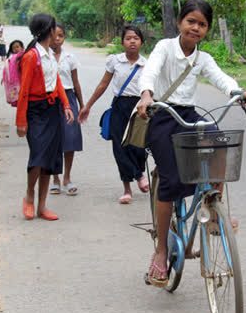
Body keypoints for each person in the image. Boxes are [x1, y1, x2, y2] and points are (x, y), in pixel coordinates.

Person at [135, 0, 246, 286]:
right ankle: (161, 251)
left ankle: (214, 210)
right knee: (170, 181)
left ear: (207, 29)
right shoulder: (164, 47)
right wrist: (147, 94)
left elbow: (220, 77)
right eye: (191, 21)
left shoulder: (203, 58)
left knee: (220, 144)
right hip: (161, 112)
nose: (196, 28)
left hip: (187, 114)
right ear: (180, 23)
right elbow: (150, 70)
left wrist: (237, 91)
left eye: (202, 24)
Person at [79, 26, 149, 204]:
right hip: (120, 106)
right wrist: (88, 106)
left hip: (140, 108)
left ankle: (139, 171)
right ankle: (127, 189)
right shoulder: (115, 61)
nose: (132, 41)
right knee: (120, 147)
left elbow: (152, 89)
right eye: (128, 38)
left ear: (141, 42)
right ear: (122, 42)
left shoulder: (147, 64)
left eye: (136, 38)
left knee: (139, 147)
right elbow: (103, 85)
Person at [16, 13, 74, 221]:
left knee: (50, 157)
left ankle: (42, 205)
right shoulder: (32, 56)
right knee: (38, 155)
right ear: (49, 31)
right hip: (35, 110)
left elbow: (56, 80)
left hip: (52, 110)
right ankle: (29, 196)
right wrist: (20, 121)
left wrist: (66, 105)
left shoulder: (49, 54)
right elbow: (23, 91)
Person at [50, 24, 85, 196]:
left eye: (61, 36)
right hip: (50, 100)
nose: (57, 39)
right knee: (53, 139)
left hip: (69, 98)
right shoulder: (42, 56)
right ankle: (55, 178)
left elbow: (75, 82)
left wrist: (82, 104)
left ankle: (67, 177)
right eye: (54, 35)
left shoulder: (70, 57)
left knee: (70, 138)